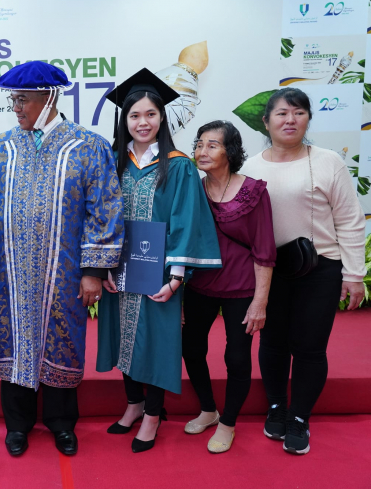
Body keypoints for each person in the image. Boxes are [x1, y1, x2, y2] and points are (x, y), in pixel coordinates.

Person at [0, 61, 125, 457]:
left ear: (49, 97)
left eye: (22, 99)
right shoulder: (1, 146)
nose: (15, 107)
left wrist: (93, 271)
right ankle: (17, 425)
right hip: (15, 272)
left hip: (66, 272)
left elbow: (103, 209)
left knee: (63, 341)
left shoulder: (88, 146)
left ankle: (60, 424)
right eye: (13, 98)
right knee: (15, 340)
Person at [97, 68, 221, 453]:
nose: (142, 122)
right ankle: (134, 404)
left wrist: (176, 278)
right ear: (125, 120)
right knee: (122, 337)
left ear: (162, 117)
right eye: (134, 115)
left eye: (150, 114)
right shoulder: (113, 162)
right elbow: (98, 215)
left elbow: (187, 219)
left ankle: (153, 414)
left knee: (157, 342)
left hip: (159, 274)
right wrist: (101, 265)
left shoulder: (177, 164)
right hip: (118, 271)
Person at [240, 88, 366, 455]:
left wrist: (354, 274)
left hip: (320, 268)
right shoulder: (250, 167)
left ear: (308, 118)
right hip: (268, 271)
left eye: (298, 113)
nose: (290, 120)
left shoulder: (328, 162)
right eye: (281, 114)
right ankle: (277, 407)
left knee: (310, 347)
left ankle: (299, 417)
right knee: (273, 343)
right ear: (266, 122)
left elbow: (350, 219)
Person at [182, 120, 276, 453]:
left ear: (230, 152)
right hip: (198, 286)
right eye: (199, 144)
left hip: (242, 289)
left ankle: (228, 423)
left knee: (236, 358)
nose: (202, 151)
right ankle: (209, 409)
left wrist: (260, 302)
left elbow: (265, 251)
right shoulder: (190, 188)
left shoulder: (254, 191)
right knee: (190, 349)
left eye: (212, 145)